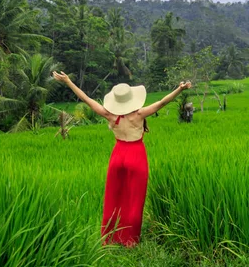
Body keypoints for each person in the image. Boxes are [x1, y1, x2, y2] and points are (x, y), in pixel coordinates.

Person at [52, 71, 191, 247]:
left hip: (118, 155)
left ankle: (110, 238)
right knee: (135, 198)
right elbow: (163, 102)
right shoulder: (139, 115)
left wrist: (68, 81)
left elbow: (87, 99)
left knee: (114, 196)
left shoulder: (110, 115)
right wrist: (179, 88)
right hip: (136, 155)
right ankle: (131, 240)